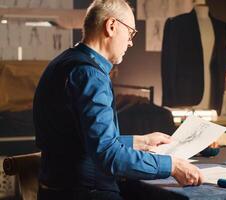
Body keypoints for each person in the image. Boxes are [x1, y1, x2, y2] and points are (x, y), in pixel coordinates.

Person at [33, 0, 203, 199]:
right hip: (87, 193)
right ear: (111, 26)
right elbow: (108, 155)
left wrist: (140, 141)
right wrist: (172, 165)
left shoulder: (62, 63)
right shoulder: (91, 75)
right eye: (131, 33)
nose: (131, 42)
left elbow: (80, 141)